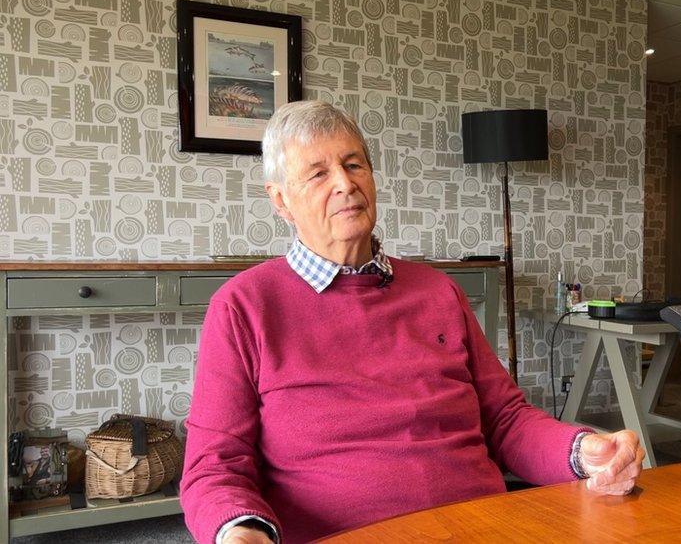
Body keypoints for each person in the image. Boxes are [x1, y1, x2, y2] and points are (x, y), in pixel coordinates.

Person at [180, 100, 645, 544]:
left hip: (481, 525)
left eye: (354, 164)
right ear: (280, 201)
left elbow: (505, 421)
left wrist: (585, 450)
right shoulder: (244, 306)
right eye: (318, 173)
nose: (344, 183)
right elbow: (215, 465)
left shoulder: (439, 291)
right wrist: (241, 531)